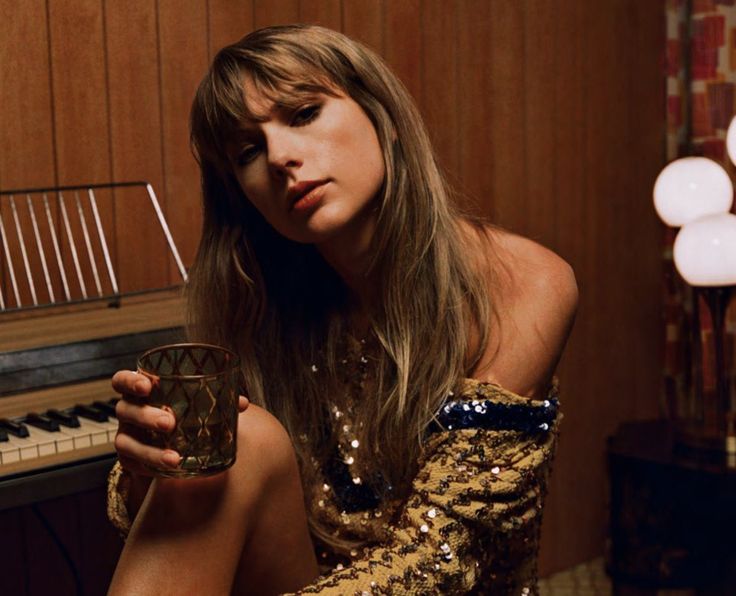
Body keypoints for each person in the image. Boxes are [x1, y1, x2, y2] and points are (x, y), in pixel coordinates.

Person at [106, 24, 577, 595]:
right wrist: (145, 468)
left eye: (303, 114)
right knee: (240, 437)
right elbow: (179, 524)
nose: (280, 157)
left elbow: (439, 559)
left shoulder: (525, 283)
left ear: (386, 117)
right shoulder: (260, 304)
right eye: (248, 151)